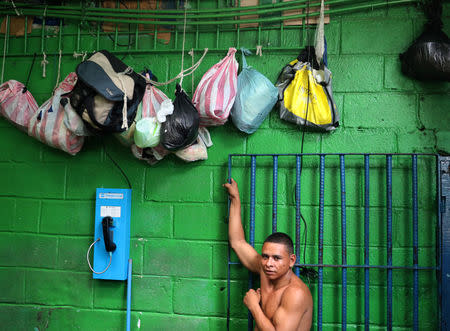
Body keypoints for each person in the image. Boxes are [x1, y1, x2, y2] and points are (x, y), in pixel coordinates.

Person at [223, 178, 313, 331]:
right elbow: (237, 241)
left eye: (277, 258)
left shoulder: (295, 293)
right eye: (265, 256)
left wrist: (254, 307)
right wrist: (235, 199)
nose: (269, 263)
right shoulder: (265, 270)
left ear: (291, 261)